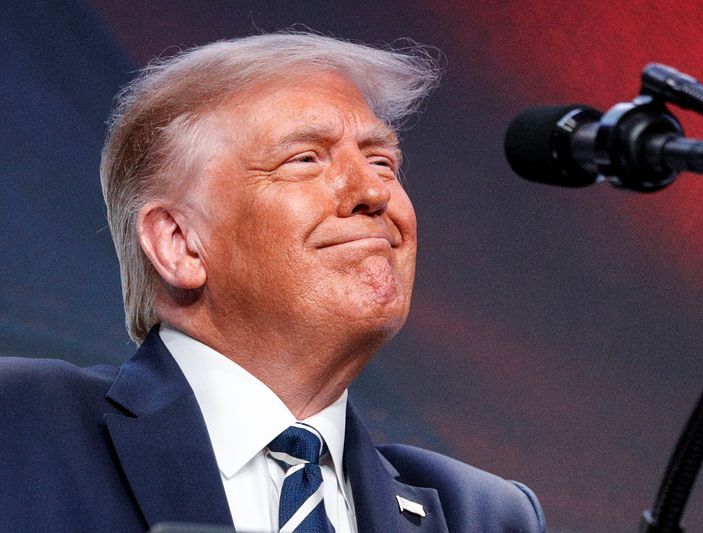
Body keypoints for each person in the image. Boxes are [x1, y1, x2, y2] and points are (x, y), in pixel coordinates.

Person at [0, 32, 545, 532]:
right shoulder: (22, 423)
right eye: (305, 159)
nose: (374, 193)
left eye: (382, 161)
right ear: (180, 244)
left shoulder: (483, 515)